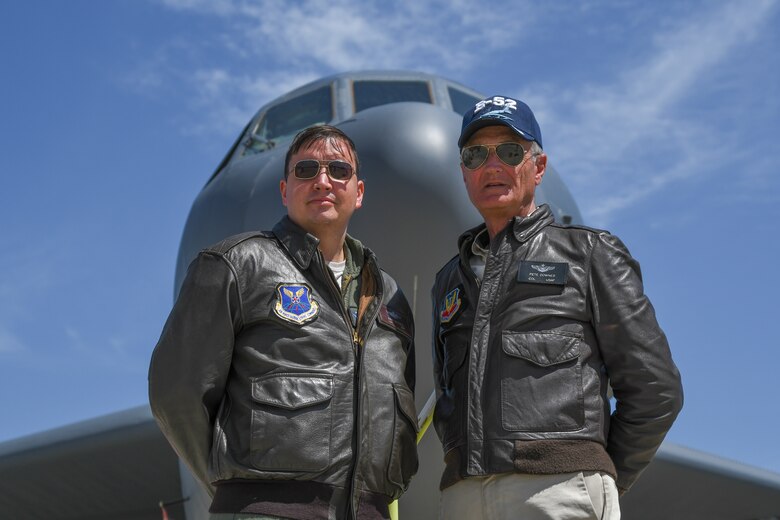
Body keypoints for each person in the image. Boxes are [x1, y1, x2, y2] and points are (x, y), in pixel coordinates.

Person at [431, 96, 683, 519]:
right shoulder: (448, 282)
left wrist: (591, 476)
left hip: (561, 493)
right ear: (464, 172)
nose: (492, 166)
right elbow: (447, 400)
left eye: (510, 152)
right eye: (476, 155)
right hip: (463, 499)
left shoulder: (590, 255)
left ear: (538, 167)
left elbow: (656, 390)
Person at [149, 125, 418, 520]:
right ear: (284, 190)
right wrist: (239, 493)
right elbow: (177, 395)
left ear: (358, 193)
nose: (323, 180)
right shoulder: (237, 266)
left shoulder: (388, 297)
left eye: (339, 170)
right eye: (306, 170)